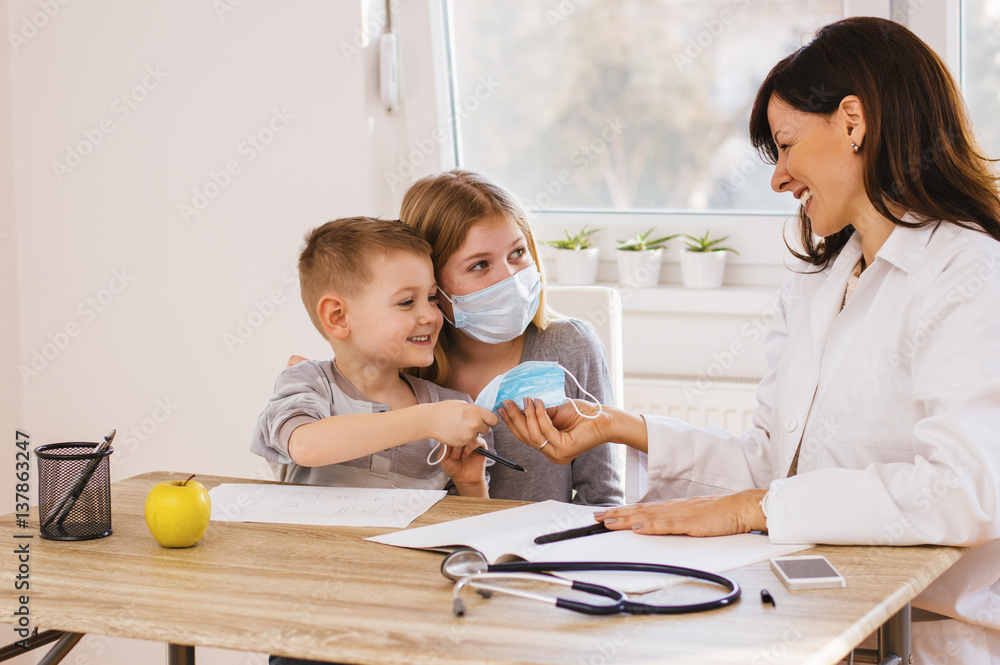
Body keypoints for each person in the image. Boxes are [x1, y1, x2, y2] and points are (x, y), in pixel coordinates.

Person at [501, 17, 1000, 663]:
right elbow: (773, 467)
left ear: (854, 121)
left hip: (935, 633)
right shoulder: (821, 283)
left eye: (788, 145)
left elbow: (963, 490)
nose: (779, 178)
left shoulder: (971, 275)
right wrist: (619, 426)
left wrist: (750, 509)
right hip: (821, 610)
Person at [399, 169, 623, 505]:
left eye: (517, 253)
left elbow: (603, 498)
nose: (511, 280)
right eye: (479, 265)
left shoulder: (572, 347)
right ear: (431, 280)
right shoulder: (406, 365)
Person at [250, 217, 497, 498]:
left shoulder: (453, 410)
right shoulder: (307, 383)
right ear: (338, 317)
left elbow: (470, 529)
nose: (430, 315)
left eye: (432, 298)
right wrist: (426, 421)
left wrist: (470, 483)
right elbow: (305, 445)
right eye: (406, 302)